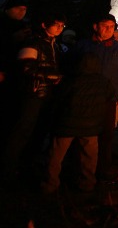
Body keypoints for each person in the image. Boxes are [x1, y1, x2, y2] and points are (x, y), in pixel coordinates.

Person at [2, 12, 65, 182]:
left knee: (38, 131)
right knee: (22, 130)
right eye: (56, 24)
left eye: (62, 25)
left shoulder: (53, 44)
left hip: (45, 94)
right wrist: (52, 77)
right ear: (44, 25)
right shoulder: (34, 42)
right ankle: (8, 169)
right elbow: (26, 67)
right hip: (32, 93)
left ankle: (26, 166)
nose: (60, 28)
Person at [41, 52, 115, 194]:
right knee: (90, 157)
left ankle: (50, 184)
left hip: (67, 126)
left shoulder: (70, 81)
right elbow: (110, 96)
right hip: (91, 127)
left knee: (55, 156)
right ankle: (87, 184)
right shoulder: (104, 82)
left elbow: (58, 99)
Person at [75, 14, 118, 178]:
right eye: (105, 26)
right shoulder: (84, 46)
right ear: (95, 27)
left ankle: (102, 171)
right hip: (84, 99)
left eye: (112, 27)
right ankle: (79, 170)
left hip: (109, 99)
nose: (109, 30)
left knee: (106, 136)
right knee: (83, 134)